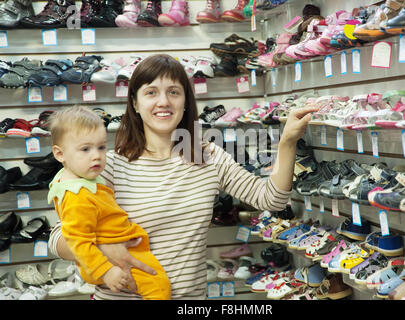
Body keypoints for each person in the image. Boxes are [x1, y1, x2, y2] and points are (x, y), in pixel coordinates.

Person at [48, 53, 319, 300]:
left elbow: (271, 199)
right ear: (135, 102)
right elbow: (58, 237)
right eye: (151, 92)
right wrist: (105, 251)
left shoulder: (208, 157)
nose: (163, 102)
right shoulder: (110, 165)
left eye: (174, 92)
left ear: (186, 101)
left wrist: (287, 142)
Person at [47, 105, 170, 299]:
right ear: (59, 154)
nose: (96, 155)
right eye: (85, 149)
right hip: (109, 261)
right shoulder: (78, 195)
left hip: (112, 252)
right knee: (159, 287)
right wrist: (106, 270)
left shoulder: (79, 178)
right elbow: (78, 241)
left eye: (101, 147)